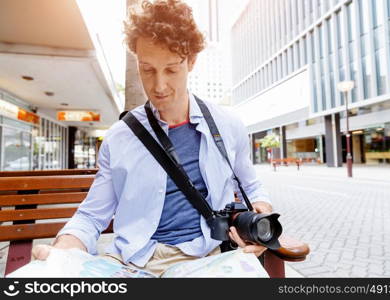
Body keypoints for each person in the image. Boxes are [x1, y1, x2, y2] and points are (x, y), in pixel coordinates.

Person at [32, 0, 273, 276]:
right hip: (131, 264)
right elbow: (90, 216)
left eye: (171, 69)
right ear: (137, 60)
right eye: (147, 69)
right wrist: (63, 251)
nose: (159, 86)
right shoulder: (119, 138)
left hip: (206, 260)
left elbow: (252, 189)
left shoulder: (227, 125)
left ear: (191, 61)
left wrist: (260, 218)